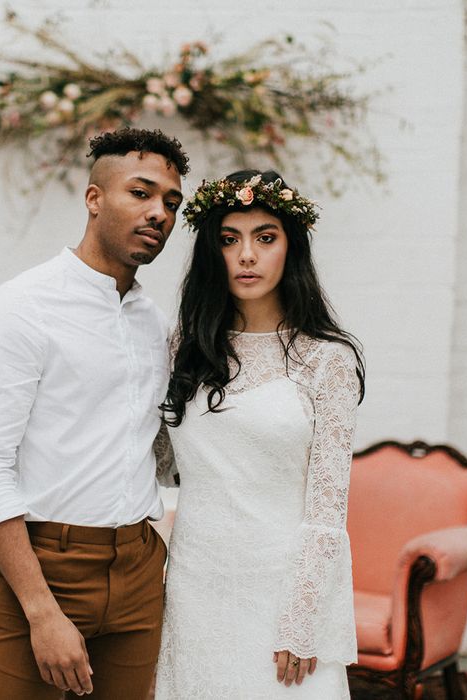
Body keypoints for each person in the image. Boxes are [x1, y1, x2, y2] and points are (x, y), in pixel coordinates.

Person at [0, 127, 189, 700]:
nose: (159, 212)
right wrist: (41, 612)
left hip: (138, 574)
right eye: (141, 193)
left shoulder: (155, 323)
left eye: (171, 203)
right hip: (44, 572)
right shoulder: (21, 308)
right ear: (94, 199)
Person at [153, 170, 365, 698]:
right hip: (195, 581)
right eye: (229, 240)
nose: (246, 255)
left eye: (265, 237)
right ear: (211, 253)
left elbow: (326, 508)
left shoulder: (326, 359)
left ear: (291, 249)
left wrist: (302, 617)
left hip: (280, 588)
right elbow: (156, 463)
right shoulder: (184, 348)